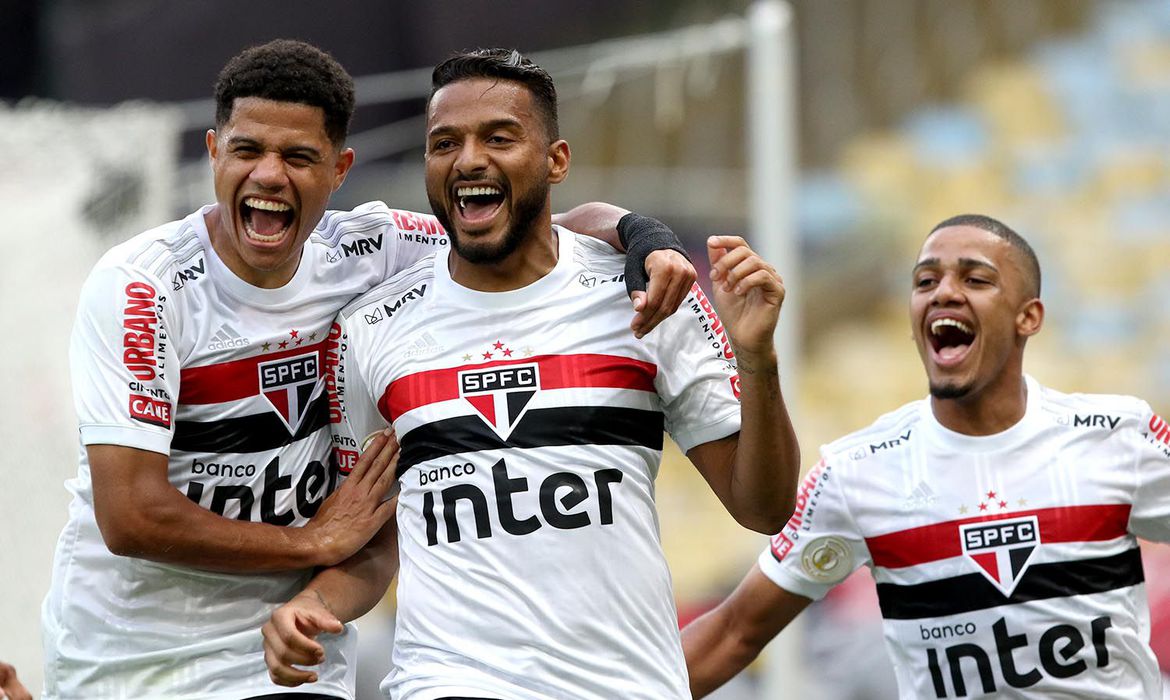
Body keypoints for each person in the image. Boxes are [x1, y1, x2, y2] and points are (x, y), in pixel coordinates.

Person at [42, 39, 695, 700]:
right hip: (127, 653)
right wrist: (310, 542)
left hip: (298, 640)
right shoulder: (144, 288)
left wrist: (646, 235)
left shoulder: (374, 250)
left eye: (298, 157)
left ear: (340, 169)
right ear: (214, 151)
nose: (269, 176)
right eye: (247, 150)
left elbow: (544, 227)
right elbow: (130, 516)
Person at [260, 48, 801, 700]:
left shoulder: (645, 296)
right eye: (444, 142)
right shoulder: (373, 329)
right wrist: (312, 602)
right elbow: (374, 545)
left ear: (556, 160)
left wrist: (758, 359)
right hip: (448, 685)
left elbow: (764, 507)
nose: (468, 160)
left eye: (499, 137)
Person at [681, 214, 1170, 699]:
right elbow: (733, 633)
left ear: (1029, 316)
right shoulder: (857, 471)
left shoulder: (1118, 436)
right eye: (925, 280)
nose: (944, 292)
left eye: (976, 279)